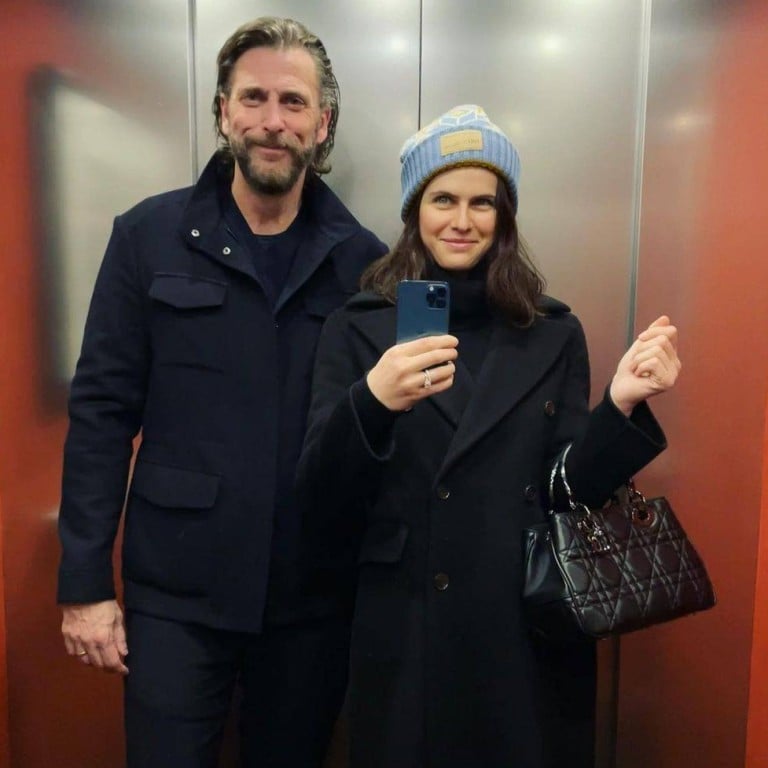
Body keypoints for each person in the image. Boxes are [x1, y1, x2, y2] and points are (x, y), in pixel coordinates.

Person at [297, 105, 681, 768]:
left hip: (522, 628)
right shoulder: (358, 327)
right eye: (443, 198)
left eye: (483, 202)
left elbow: (570, 490)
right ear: (415, 209)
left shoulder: (552, 331)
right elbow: (318, 496)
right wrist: (374, 401)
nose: (462, 219)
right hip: (405, 623)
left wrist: (619, 407)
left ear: (505, 216)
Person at [56, 16, 386, 768]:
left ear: (322, 122)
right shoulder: (148, 237)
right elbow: (103, 411)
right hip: (175, 595)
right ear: (223, 111)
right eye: (255, 97)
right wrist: (84, 583)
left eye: (294, 103)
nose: (274, 122)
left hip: (311, 597)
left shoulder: (363, 264)